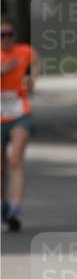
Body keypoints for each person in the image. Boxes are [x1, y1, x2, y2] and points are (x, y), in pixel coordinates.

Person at [1, 17, 39, 231]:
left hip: (19, 113)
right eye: (1, 35)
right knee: (1, 168)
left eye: (9, 34)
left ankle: (16, 207)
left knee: (15, 160)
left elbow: (36, 64)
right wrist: (3, 70)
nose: (6, 39)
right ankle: (2, 205)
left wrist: (32, 78)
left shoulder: (24, 51)